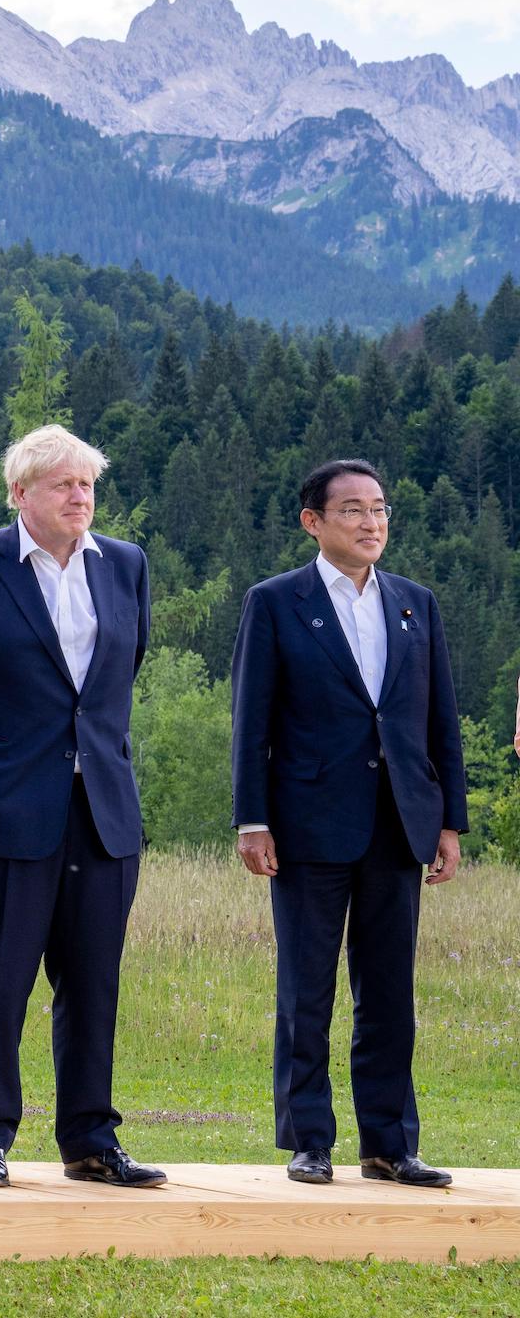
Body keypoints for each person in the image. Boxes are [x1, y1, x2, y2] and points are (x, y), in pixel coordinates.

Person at [0, 424, 163, 1191]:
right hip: (3, 809)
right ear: (21, 494)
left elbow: (121, 671)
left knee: (92, 982)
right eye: (63, 485)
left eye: (88, 485)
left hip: (103, 810)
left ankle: (91, 1141)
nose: (80, 497)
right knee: (1, 978)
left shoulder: (126, 567)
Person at [231, 459, 468, 1188]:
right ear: (313, 522)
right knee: (307, 988)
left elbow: (439, 720)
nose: (372, 524)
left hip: (402, 821)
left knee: (390, 990)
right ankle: (309, 1139)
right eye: (355, 511)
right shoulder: (276, 603)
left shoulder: (414, 604)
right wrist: (252, 818)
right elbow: (252, 720)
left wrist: (450, 821)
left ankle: (391, 1145)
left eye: (380, 510)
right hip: (306, 823)